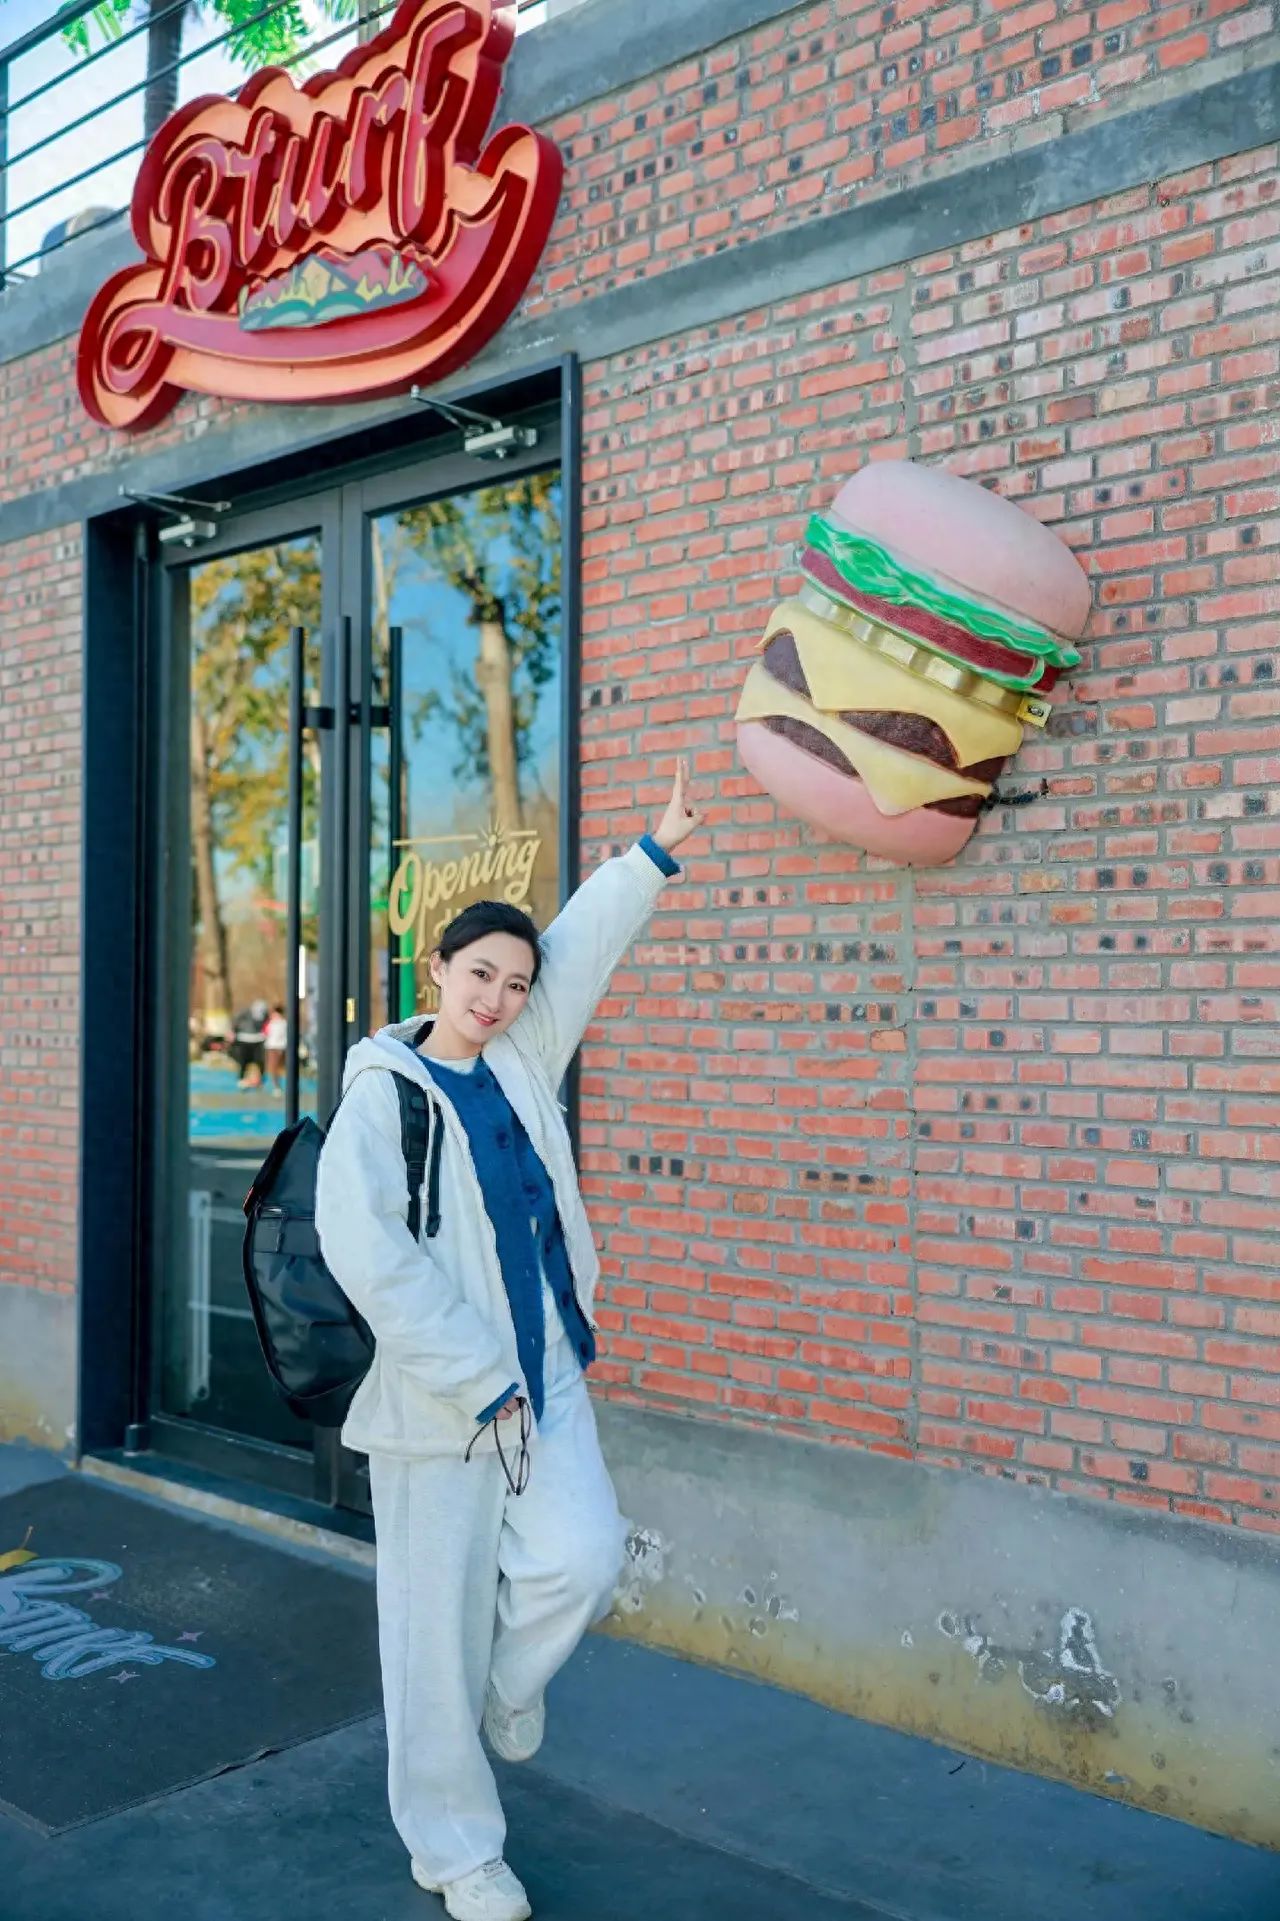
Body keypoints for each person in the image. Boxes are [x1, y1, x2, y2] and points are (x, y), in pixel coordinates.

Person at [315, 763, 703, 1921]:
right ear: (436, 968)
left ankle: (509, 1686)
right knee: (427, 1638)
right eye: (479, 972)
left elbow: (580, 946)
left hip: (545, 1380)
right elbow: (368, 1253)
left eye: (514, 982)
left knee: (581, 1556)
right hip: (440, 1407)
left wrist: (651, 852)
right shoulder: (384, 1094)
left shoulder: (523, 1060)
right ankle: (456, 1853)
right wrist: (474, 1375)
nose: (496, 996)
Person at [264, 1005, 288, 1093]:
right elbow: (266, 1033)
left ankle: (281, 1086)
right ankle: (276, 1086)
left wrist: (282, 1049)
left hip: (280, 1047)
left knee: (279, 1067)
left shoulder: (283, 1024)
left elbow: (285, 1036)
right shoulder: (270, 1023)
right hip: (271, 1047)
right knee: (273, 1067)